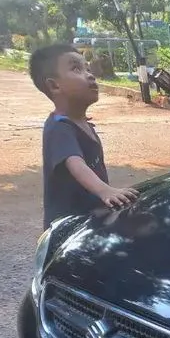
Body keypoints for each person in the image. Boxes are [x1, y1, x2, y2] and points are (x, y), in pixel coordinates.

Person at [29, 43, 138, 229]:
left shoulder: (82, 123)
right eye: (76, 69)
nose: (90, 74)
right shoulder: (59, 128)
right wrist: (106, 191)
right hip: (68, 228)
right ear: (54, 86)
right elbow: (76, 164)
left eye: (87, 68)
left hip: (90, 219)